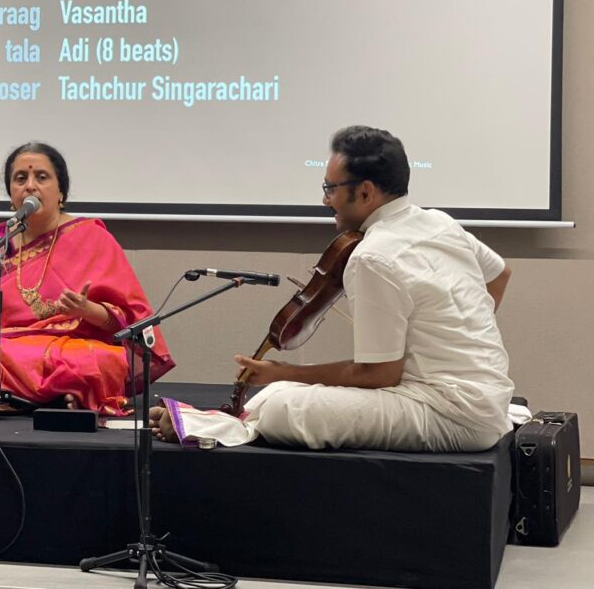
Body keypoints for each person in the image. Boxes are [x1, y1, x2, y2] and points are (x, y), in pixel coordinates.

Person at [151, 125, 514, 451]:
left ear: (367, 192)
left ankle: (204, 427)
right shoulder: (439, 222)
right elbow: (500, 274)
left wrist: (284, 372)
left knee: (282, 405)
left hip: (447, 414)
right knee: (276, 396)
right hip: (486, 401)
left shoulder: (373, 255)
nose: (325, 200)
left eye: (331, 189)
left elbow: (379, 375)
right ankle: (214, 422)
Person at [0, 142, 174, 415]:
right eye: (21, 178)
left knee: (100, 360)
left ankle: (14, 397)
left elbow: (126, 324)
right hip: (6, 350)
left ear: (61, 191)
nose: (30, 186)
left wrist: (86, 310)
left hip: (67, 349)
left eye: (41, 177)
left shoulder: (92, 236)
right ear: (11, 193)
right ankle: (58, 397)